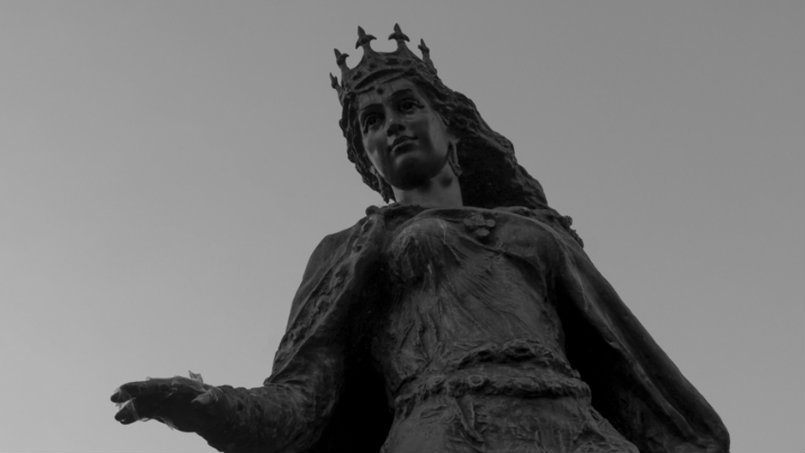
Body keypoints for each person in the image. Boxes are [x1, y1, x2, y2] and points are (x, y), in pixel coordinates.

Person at [112, 25, 729, 453]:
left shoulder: (534, 231)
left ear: (450, 128)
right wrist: (207, 403)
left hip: (574, 428)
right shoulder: (353, 247)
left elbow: (630, 368)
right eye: (372, 121)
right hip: (443, 431)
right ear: (368, 157)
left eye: (407, 106)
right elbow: (302, 398)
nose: (393, 125)